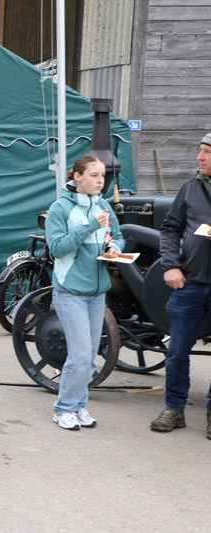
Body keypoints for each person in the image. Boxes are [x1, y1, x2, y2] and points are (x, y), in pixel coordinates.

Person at [45, 154, 123, 430]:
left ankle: (79, 407)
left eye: (102, 175)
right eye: (94, 175)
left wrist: (114, 248)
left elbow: (115, 234)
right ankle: (63, 408)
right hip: (70, 292)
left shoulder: (103, 205)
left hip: (96, 291)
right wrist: (90, 226)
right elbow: (57, 248)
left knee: (89, 357)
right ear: (77, 177)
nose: (100, 180)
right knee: (79, 356)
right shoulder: (60, 209)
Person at [150, 133, 211, 438]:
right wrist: (171, 264)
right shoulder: (191, 187)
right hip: (191, 284)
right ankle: (174, 408)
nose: (199, 158)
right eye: (200, 151)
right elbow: (170, 229)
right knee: (177, 351)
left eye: (206, 152)